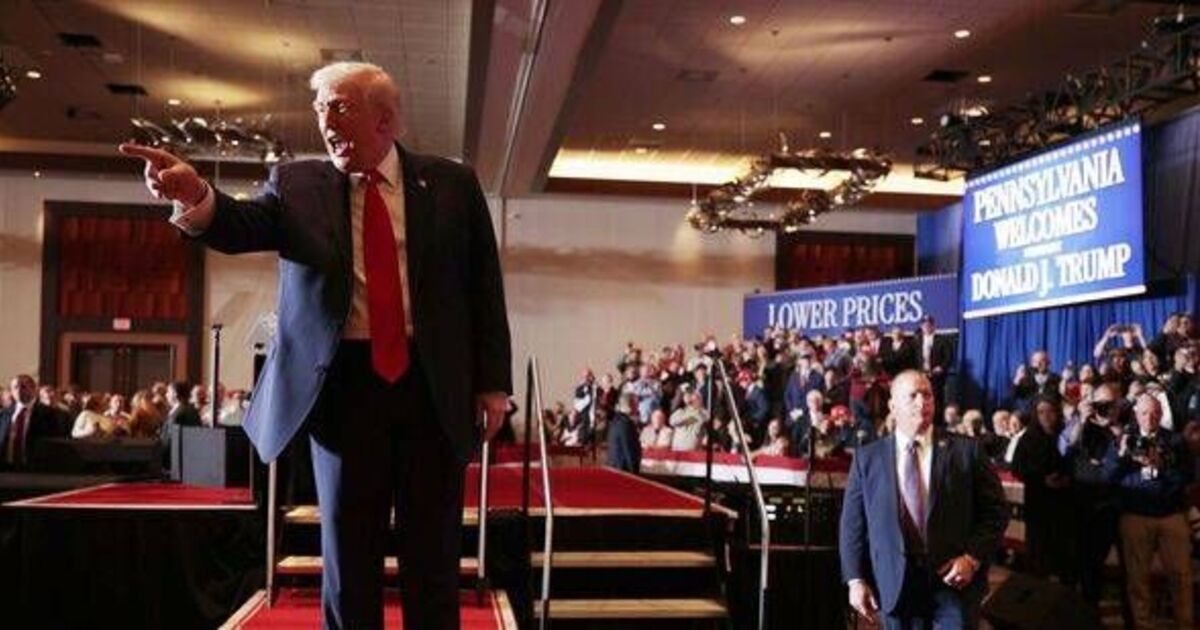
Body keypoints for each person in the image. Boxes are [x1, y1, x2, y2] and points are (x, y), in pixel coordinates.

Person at [120, 61, 512, 630]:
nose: (325, 120)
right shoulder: (297, 183)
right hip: (343, 391)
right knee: (349, 556)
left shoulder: (452, 184)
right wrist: (195, 194)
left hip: (432, 388)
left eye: (340, 106)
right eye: (320, 107)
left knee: (432, 555)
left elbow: (485, 286)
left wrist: (494, 383)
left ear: (385, 120)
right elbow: (240, 225)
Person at [839, 371, 1008, 629]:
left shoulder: (966, 450)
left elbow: (996, 512)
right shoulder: (867, 459)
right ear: (892, 406)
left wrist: (972, 558)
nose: (922, 402)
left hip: (954, 586)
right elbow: (852, 525)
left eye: (927, 395)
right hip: (895, 587)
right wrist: (855, 579)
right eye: (913, 396)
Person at [1106, 393, 1193, 629]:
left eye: (1154, 413)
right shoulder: (1124, 440)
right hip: (1135, 515)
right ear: (1136, 415)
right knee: (1137, 578)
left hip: (1170, 515)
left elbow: (1186, 478)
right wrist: (1121, 456)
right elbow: (1108, 477)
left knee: (1181, 576)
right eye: (1144, 413)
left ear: (1161, 414)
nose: (1149, 418)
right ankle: (1143, 625)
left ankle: (1185, 625)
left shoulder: (1175, 441)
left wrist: (1162, 466)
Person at [1, 375, 69, 469]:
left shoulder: (48, 413)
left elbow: (55, 442)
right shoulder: (5, 413)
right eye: (15, 387)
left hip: (35, 468)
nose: (19, 390)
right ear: (11, 391)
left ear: (34, 389)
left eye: (23, 387)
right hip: (6, 467)